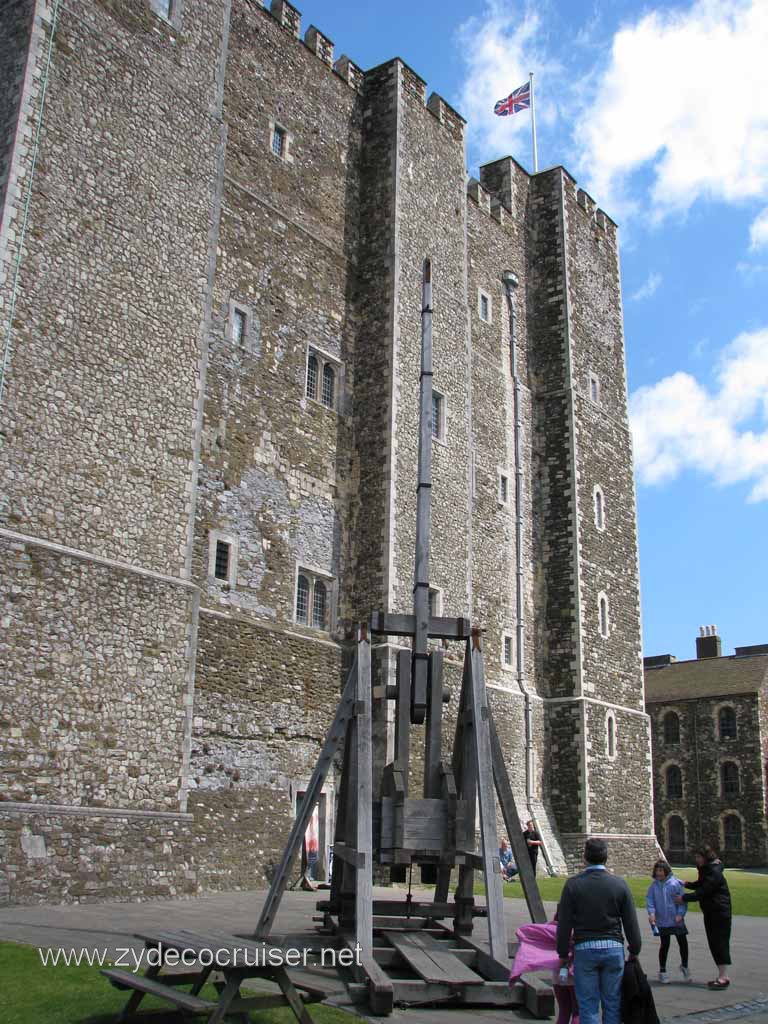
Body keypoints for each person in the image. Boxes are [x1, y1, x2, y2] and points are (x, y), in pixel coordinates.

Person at [556, 837, 642, 1024]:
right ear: (606, 858)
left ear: (585, 858)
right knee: (612, 1004)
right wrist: (634, 949)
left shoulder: (573, 885)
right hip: (613, 948)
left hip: (584, 949)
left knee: (588, 1005)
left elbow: (564, 923)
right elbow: (631, 923)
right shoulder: (620, 884)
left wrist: (562, 953)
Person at [674, 843, 732, 989]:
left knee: (719, 942)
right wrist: (686, 883)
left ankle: (723, 977)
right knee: (715, 942)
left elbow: (704, 891)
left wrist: (684, 898)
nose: (696, 859)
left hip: (719, 911)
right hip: (712, 911)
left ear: (706, 857)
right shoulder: (708, 869)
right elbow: (701, 884)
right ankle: (722, 975)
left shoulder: (714, 872)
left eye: (698, 857)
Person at [510, 914, 578, 1024]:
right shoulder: (582, 926)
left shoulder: (556, 928)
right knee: (577, 1013)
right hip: (576, 971)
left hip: (559, 972)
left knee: (563, 1012)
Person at [646, 860, 690, 984]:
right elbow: (650, 901)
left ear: (666, 871)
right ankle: (663, 971)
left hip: (676, 920)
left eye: (661, 870)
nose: (658, 873)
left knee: (683, 943)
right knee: (664, 945)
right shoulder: (653, 886)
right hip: (662, 921)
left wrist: (680, 914)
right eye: (657, 871)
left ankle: (685, 966)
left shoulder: (675, 884)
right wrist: (652, 914)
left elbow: (682, 901)